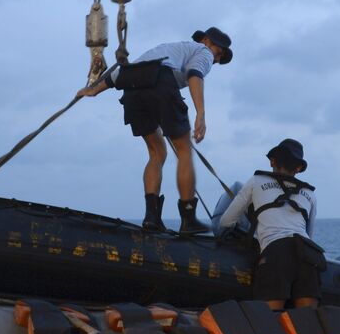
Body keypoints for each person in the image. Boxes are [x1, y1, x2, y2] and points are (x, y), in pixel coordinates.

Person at [77, 27, 233, 234]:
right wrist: (201, 114)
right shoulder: (202, 51)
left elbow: (119, 75)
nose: (217, 58)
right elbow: (195, 74)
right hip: (160, 82)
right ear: (206, 40)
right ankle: (188, 219)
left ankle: (151, 218)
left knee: (157, 153)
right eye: (219, 51)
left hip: (131, 89)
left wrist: (94, 90)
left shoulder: (166, 49)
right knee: (184, 151)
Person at [219, 139, 320, 309]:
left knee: (269, 323)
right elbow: (309, 235)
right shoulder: (310, 194)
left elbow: (226, 221)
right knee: (308, 323)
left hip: (276, 253)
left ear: (272, 161)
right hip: (308, 256)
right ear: (298, 168)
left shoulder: (256, 181)